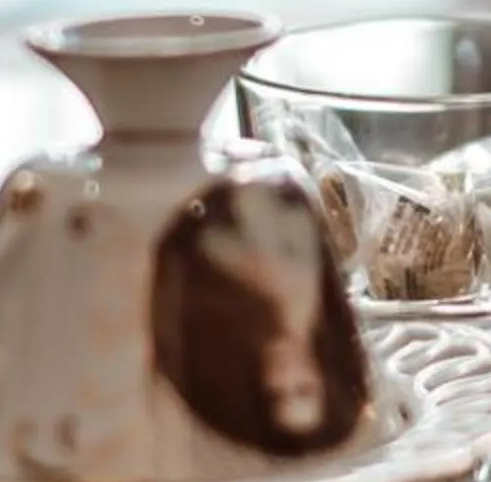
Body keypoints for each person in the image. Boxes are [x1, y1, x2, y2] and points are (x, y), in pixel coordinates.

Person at [153, 172, 371, 455]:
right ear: (322, 384)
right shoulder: (319, 312)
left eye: (277, 396)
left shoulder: (231, 319)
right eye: (302, 389)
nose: (283, 378)